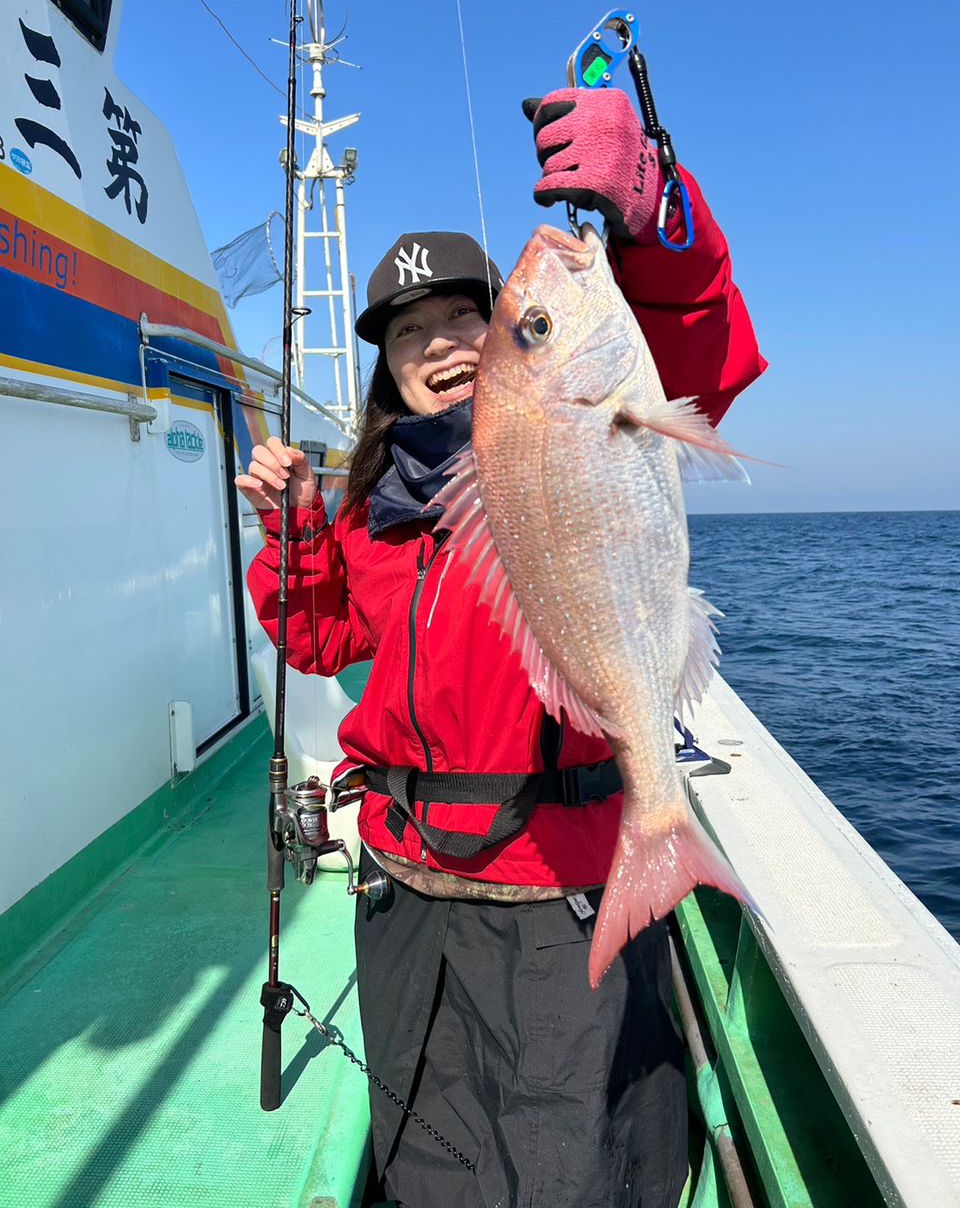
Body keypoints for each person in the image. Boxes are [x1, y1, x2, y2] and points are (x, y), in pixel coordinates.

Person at [239, 87, 767, 1208]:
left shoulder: (579, 415)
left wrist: (656, 210)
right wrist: (289, 532)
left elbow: (700, 345)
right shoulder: (375, 500)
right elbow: (320, 632)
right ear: (388, 372)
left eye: (469, 323)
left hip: (554, 886)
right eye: (408, 338)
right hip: (404, 885)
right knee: (430, 1148)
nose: (438, 350)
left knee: (567, 1159)